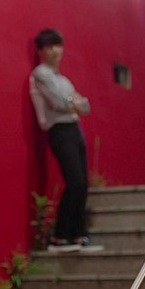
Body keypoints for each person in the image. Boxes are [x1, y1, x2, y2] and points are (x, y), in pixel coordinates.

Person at [29, 28, 102, 253]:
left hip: (74, 129)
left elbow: (85, 106)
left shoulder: (64, 80)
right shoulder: (40, 74)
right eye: (49, 46)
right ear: (41, 51)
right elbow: (60, 102)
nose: (55, 50)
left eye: (58, 45)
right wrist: (72, 102)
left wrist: (70, 103)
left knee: (82, 184)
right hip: (59, 130)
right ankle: (59, 237)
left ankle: (78, 235)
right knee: (75, 181)